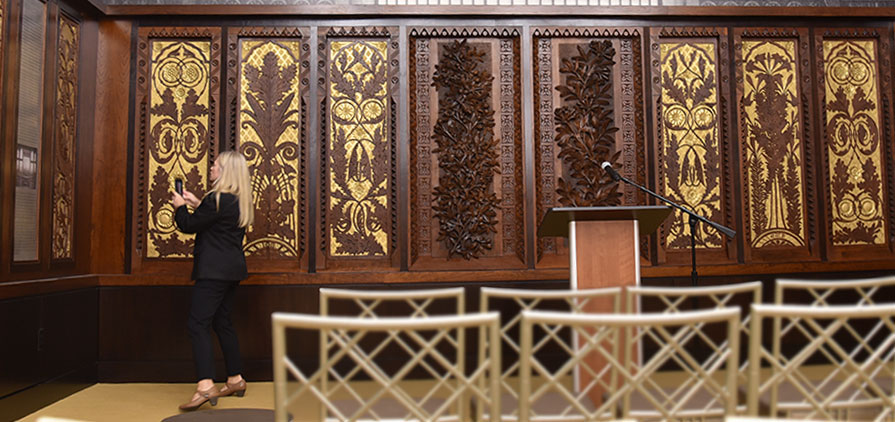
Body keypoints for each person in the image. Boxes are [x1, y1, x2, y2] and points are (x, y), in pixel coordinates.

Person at [171, 150, 254, 411]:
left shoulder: (217, 199)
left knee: (198, 324)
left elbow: (188, 225)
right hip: (232, 271)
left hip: (213, 272)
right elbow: (214, 221)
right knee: (222, 322)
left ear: (225, 171)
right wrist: (197, 203)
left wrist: (180, 207)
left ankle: (205, 386)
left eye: (215, 165)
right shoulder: (238, 201)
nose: (211, 168)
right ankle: (235, 378)